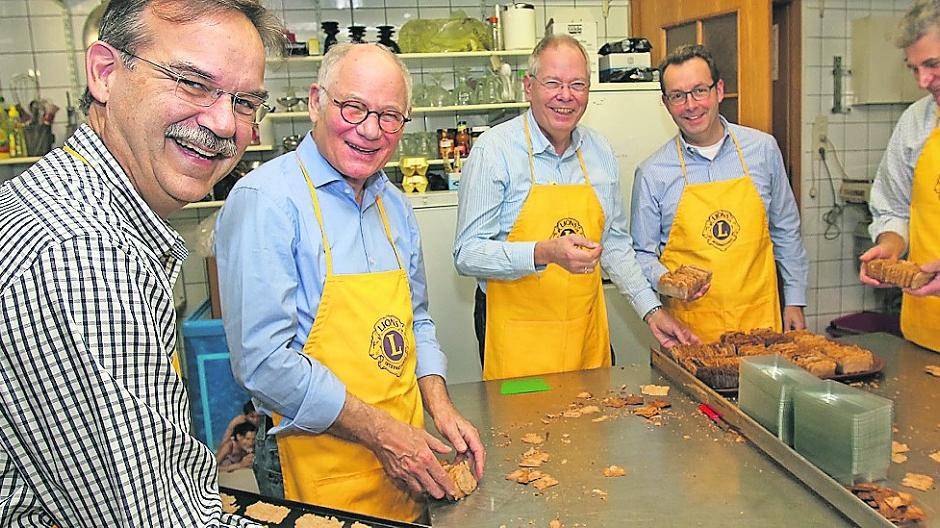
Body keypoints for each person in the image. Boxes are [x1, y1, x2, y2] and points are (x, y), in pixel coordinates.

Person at [0, 1, 283, 526]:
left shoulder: (70, 209)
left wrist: (184, 464)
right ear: (105, 73)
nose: (225, 123)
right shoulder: (83, 254)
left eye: (245, 102)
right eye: (192, 83)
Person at [214, 43, 485, 523]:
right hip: (313, 460)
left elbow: (416, 320)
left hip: (404, 456)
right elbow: (263, 363)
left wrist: (439, 404)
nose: (370, 130)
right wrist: (383, 433)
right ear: (315, 102)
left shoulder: (395, 206)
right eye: (353, 107)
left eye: (390, 116)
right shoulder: (266, 200)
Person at [453, 34, 697, 381]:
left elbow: (614, 245)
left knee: (594, 412)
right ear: (529, 87)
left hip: (585, 331)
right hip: (517, 335)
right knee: (524, 417)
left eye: (577, 84)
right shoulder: (494, 151)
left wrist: (652, 311)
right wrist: (544, 252)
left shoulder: (599, 151)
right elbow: (467, 253)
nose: (565, 96)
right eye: (553, 83)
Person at [631, 45, 809, 344]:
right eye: (678, 96)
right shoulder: (652, 173)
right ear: (666, 103)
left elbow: (786, 229)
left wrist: (795, 299)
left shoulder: (763, 150)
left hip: (761, 325)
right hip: (690, 335)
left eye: (699, 91)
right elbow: (642, 254)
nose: (691, 105)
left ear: (719, 90)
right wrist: (666, 282)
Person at [860, 0, 940, 352]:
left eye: (933, 64)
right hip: (926, 328)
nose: (923, 81)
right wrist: (890, 246)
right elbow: (892, 207)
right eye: (914, 69)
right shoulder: (916, 123)